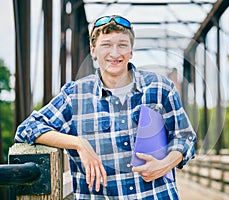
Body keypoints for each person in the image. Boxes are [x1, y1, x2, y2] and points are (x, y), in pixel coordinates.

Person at [15, 15, 197, 199]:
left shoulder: (160, 88)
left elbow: (185, 137)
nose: (115, 53)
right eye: (107, 45)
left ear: (131, 50)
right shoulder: (75, 96)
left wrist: (165, 164)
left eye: (122, 45)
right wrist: (78, 143)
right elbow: (28, 128)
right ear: (93, 51)